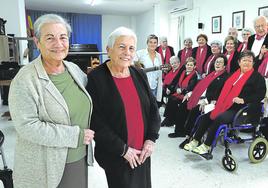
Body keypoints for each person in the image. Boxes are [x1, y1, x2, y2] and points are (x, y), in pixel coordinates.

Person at [8, 14, 95, 188]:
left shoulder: (74, 69)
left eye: (63, 37)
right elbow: (27, 127)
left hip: (78, 156)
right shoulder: (25, 79)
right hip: (45, 165)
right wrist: (75, 135)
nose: (58, 44)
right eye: (50, 38)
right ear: (37, 42)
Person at [86, 27, 161, 188]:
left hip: (142, 152)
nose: (127, 52)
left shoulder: (138, 73)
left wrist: (151, 139)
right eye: (121, 47)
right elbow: (95, 120)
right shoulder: (96, 78)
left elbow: (153, 109)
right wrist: (124, 150)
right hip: (117, 154)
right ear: (108, 50)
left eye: (131, 48)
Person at [184, 50, 266, 154]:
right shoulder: (233, 75)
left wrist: (243, 99)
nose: (247, 63)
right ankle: (195, 140)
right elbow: (221, 89)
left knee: (219, 118)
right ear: (239, 62)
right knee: (205, 117)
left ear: (253, 63)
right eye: (244, 60)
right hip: (225, 105)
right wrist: (214, 100)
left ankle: (207, 145)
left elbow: (260, 95)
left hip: (241, 109)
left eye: (250, 61)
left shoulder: (257, 78)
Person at [178, 54, 229, 148]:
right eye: (217, 62)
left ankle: (191, 137)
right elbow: (201, 87)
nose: (217, 64)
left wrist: (206, 100)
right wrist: (191, 93)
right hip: (202, 98)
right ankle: (185, 133)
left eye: (220, 62)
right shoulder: (212, 74)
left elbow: (219, 93)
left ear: (224, 65)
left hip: (213, 102)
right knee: (184, 105)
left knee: (195, 111)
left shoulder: (225, 77)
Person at [163, 57, 198, 137]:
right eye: (188, 65)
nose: (189, 66)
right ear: (185, 65)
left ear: (194, 66)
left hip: (189, 95)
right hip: (181, 93)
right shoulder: (184, 72)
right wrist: (178, 88)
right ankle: (170, 120)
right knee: (172, 99)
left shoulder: (194, 75)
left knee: (182, 107)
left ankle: (179, 131)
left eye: (191, 65)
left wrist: (182, 90)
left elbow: (191, 87)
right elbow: (179, 83)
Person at [135, 34, 162, 103]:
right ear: (147, 43)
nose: (152, 44)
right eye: (150, 42)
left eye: (155, 42)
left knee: (152, 108)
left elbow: (160, 71)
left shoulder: (158, 55)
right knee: (143, 107)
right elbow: (132, 65)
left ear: (157, 44)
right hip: (143, 86)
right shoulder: (140, 53)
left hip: (154, 86)